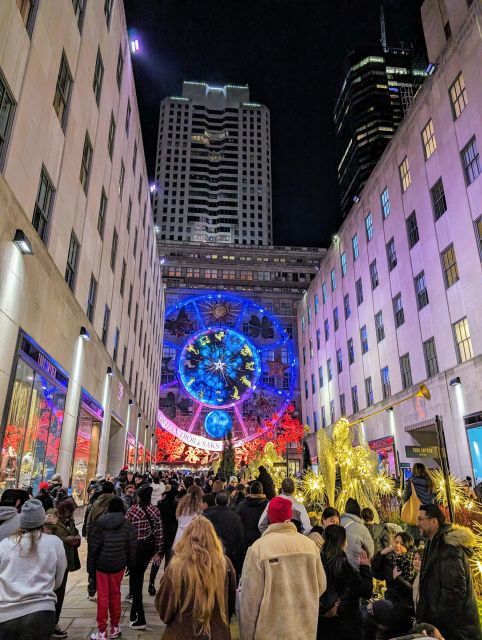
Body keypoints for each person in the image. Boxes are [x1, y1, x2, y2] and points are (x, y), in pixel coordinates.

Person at [239, 496, 326, 640]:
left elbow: (249, 601)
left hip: (270, 631)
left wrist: (247, 635)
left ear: (269, 518)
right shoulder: (309, 546)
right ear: (290, 517)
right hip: (304, 630)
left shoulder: (258, 549)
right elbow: (321, 585)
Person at [156, 516, 236, 639]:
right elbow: (230, 603)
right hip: (216, 633)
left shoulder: (176, 566)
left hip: (182, 633)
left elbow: (164, 605)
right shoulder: (225, 565)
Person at [0, 499, 67, 640]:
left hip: (6, 614)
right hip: (42, 612)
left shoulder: (5, 544)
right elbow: (59, 579)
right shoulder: (54, 543)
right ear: (42, 519)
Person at [416, 503, 480, 640]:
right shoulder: (431, 543)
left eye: (421, 519)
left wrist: (439, 627)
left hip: (457, 630)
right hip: (440, 626)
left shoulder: (449, 546)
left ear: (434, 521)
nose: (417, 523)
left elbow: (454, 592)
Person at [88, 497, 137, 640]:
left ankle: (102, 631)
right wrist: (130, 563)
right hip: (118, 565)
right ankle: (115, 627)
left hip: (102, 565)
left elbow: (94, 548)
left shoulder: (100, 524)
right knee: (115, 594)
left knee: (102, 597)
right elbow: (132, 546)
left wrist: (91, 567)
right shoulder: (127, 524)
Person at [317, 524, 373, 640]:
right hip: (345, 623)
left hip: (322, 622)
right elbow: (366, 590)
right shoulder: (342, 565)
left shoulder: (318, 562)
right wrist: (365, 567)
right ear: (343, 542)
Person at [126, 485, 163, 630]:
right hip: (148, 548)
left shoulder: (133, 511)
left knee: (136, 580)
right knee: (138, 577)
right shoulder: (155, 510)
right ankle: (135, 613)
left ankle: (139, 616)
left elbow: (126, 531)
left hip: (135, 549)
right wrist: (158, 552)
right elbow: (159, 532)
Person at [45, 498, 81, 639]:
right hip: (52, 562)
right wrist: (65, 540)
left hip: (65, 561)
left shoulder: (69, 520)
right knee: (52, 594)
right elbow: (46, 537)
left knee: (60, 594)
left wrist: (76, 537)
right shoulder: (50, 520)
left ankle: (55, 623)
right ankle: (50, 624)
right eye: (70, 513)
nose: (71, 516)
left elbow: (74, 531)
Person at [369, 531, 415, 638]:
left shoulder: (413, 562)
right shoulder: (391, 559)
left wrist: (398, 578)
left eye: (402, 544)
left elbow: (412, 590)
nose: (398, 545)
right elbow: (375, 573)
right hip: (390, 604)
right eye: (396, 542)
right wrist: (381, 554)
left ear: (408, 546)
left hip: (405, 610)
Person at [204, 490, 246, 578]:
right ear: (228, 501)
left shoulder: (206, 514)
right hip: (229, 558)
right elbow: (240, 542)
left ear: (216, 501)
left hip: (210, 558)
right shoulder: (235, 517)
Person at [85, 482, 116, 601]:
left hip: (94, 536)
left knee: (93, 562)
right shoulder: (117, 501)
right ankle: (106, 590)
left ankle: (91, 589)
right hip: (110, 537)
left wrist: (89, 535)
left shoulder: (96, 503)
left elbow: (89, 521)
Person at [148, 484, 178, 596]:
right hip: (172, 535)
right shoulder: (176, 505)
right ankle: (166, 585)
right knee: (168, 562)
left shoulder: (160, 504)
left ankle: (151, 582)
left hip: (160, 535)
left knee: (157, 559)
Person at [402, 464, 435, 543]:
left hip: (415, 518)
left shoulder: (411, 483)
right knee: (428, 545)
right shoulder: (431, 483)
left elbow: (404, 498)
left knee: (410, 543)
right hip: (428, 517)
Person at [340, 498, 374, 569]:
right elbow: (370, 551)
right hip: (354, 568)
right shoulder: (362, 528)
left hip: (336, 567)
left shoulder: (337, 523)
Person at [236, 480, 268, 548]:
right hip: (263, 541)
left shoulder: (241, 505)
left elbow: (237, 524)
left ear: (250, 491)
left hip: (245, 541)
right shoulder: (268, 505)